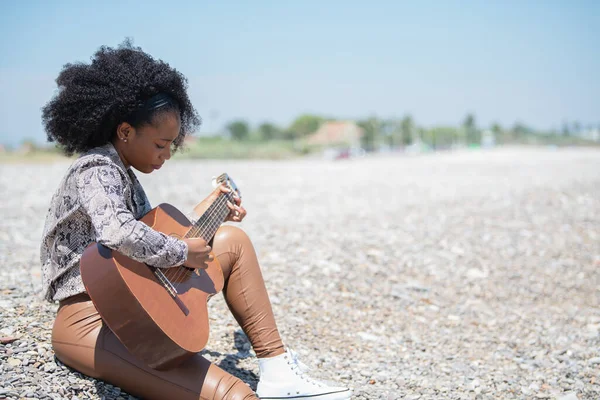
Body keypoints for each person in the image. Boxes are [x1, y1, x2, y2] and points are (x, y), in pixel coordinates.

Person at [40, 40, 353, 400]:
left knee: (232, 240)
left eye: (172, 144)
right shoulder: (95, 169)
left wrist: (213, 212)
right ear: (125, 131)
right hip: (91, 325)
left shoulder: (123, 174)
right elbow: (118, 233)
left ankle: (278, 367)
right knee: (234, 395)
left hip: (139, 312)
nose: (168, 154)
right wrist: (181, 253)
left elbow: (149, 246)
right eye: (160, 144)